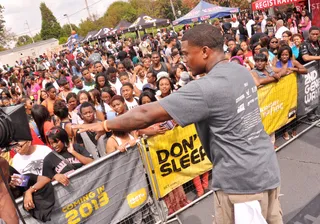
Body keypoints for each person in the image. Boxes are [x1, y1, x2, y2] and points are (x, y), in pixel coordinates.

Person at [73, 24, 282, 223]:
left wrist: (106, 126)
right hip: (266, 168)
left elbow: (147, 112)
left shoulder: (206, 88)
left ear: (205, 51)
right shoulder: (241, 71)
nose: (183, 60)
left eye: (185, 53)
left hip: (240, 185)